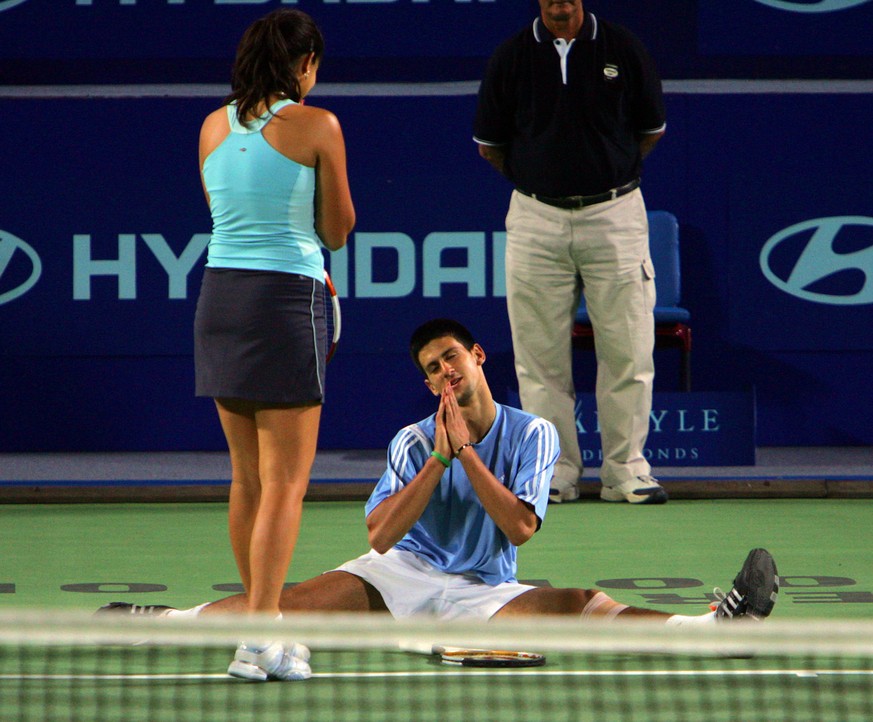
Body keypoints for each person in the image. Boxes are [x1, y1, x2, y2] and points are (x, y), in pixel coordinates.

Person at [100, 320, 779, 682]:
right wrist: (437, 458)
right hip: (401, 573)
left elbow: (516, 529)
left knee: (577, 605)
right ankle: (161, 618)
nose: (445, 371)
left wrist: (471, 456)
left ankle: (716, 630)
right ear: (428, 385)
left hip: (484, 588)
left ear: (479, 356)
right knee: (282, 600)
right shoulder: (410, 441)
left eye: (451, 356)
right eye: (431, 368)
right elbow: (379, 540)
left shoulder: (534, 432)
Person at [193, 9, 355, 679]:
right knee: (286, 485)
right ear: (304, 65)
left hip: (220, 300)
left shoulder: (211, 124)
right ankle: (258, 633)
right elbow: (338, 229)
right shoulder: (318, 126)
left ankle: (269, 629)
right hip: (285, 301)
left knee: (248, 479)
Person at [473, 0, 668, 505]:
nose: (561, 2)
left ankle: (626, 470)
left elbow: (650, 131)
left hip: (615, 213)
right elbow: (490, 145)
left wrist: (601, 175)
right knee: (539, 360)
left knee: (628, 350)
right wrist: (543, 181)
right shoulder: (511, 57)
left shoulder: (623, 48)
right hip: (537, 219)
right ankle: (555, 471)